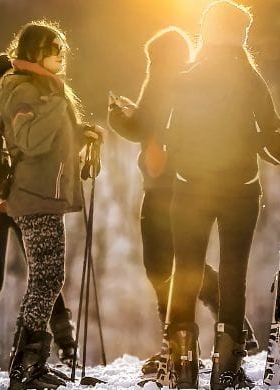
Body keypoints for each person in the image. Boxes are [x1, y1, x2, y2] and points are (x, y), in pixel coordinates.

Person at [164, 0, 280, 389]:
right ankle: (226, 370)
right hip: (239, 192)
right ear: (238, 34)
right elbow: (267, 139)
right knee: (233, 274)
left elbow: (171, 139)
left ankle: (180, 367)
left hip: (189, 190)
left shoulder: (186, 76)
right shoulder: (250, 79)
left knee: (187, 272)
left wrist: (186, 168)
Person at [107, 27, 259, 376]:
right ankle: (231, 328)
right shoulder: (194, 83)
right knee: (184, 264)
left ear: (157, 57)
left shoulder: (161, 80)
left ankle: (174, 346)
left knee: (160, 266)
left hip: (162, 188)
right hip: (189, 184)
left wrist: (117, 115)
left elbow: (139, 127)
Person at [0, 54, 78, 376]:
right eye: (5, 76)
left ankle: (62, 345)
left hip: (17, 202)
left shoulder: (23, 105)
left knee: (42, 272)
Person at [0, 21, 103, 390]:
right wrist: (59, 107)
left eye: (61, 47)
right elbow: (28, 138)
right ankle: (28, 366)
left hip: (45, 193)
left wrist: (80, 134)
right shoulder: (21, 87)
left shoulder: (45, 89)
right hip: (35, 194)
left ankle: (27, 362)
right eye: (52, 47)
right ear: (34, 52)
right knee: (48, 278)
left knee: (45, 277)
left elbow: (52, 138)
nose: (60, 54)